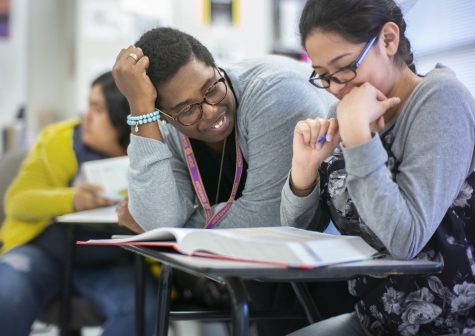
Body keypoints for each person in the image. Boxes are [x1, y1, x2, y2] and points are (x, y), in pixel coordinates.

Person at [112, 27, 355, 335]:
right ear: (163, 117)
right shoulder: (166, 126)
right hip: (263, 275)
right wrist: (140, 112)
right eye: (186, 110)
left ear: (217, 67)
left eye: (211, 88)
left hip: (334, 265)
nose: (212, 111)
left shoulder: (275, 92)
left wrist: (168, 234)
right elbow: (160, 217)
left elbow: (271, 219)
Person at [281, 0, 475, 335]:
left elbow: (404, 240)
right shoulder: (346, 109)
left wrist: (357, 134)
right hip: (375, 320)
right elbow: (299, 230)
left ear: (387, 39)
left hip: (449, 326)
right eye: (323, 76)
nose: (337, 87)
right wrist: (304, 170)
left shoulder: (442, 99)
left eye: (345, 67)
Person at [0, 72, 158, 336]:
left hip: (115, 263)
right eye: (89, 105)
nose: (86, 117)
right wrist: (72, 199)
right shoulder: (60, 140)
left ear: (124, 118)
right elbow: (17, 201)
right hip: (43, 254)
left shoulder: (152, 153)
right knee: (6, 294)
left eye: (98, 109)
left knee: (143, 308)